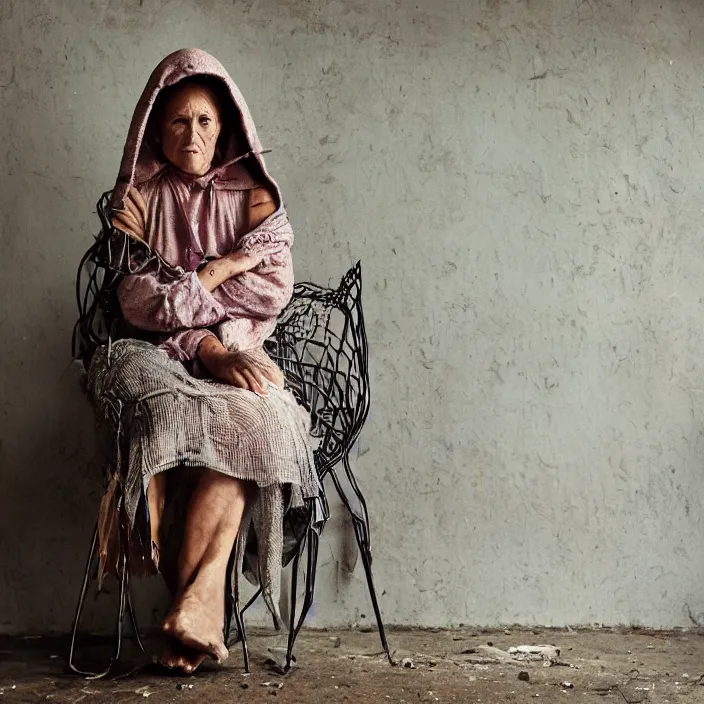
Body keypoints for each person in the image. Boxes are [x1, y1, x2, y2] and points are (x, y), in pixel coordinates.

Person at [82, 48, 319, 674]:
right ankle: (200, 610)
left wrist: (195, 308)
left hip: (235, 349)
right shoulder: (140, 198)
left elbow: (270, 290)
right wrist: (217, 279)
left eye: (206, 121)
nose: (194, 134)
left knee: (258, 422)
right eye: (180, 121)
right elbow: (137, 304)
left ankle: (195, 610)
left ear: (228, 126)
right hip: (151, 357)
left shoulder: (251, 197)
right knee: (166, 418)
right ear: (157, 129)